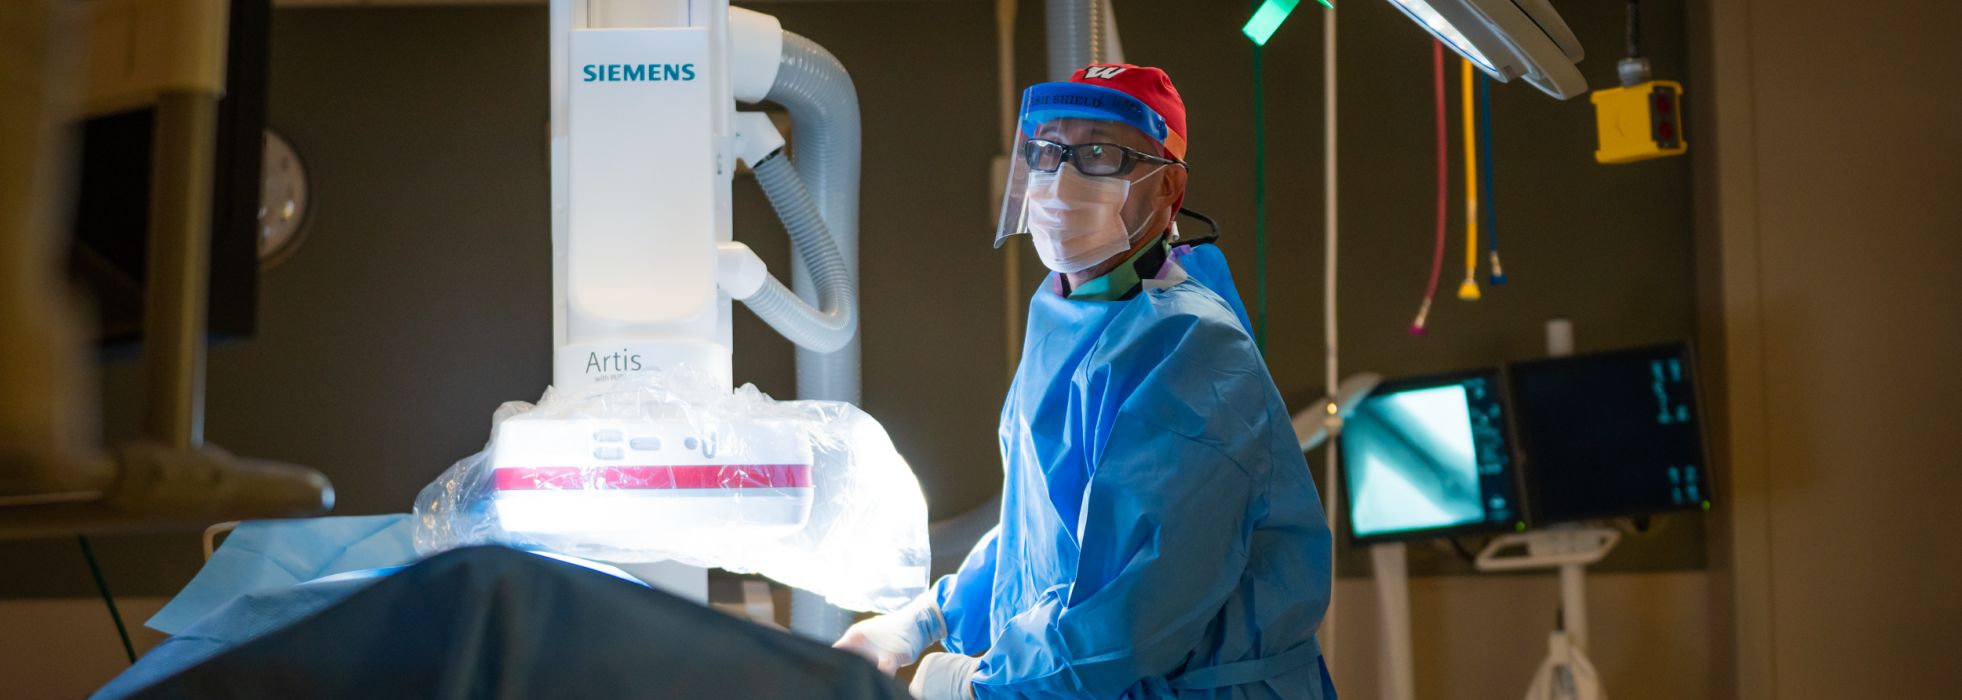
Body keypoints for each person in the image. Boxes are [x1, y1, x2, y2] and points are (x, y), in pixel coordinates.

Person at [835, 65, 1337, 699]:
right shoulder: (1070, 310)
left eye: (1100, 154)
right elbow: (1043, 528)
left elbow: (1134, 614)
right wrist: (927, 618)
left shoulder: (1192, 352)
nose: (1062, 179)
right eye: (1048, 152)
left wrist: (979, 685)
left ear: (1169, 189)